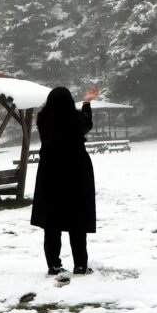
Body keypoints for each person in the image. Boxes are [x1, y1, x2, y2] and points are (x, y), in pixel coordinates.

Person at [30, 86, 99, 275]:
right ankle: (80, 265)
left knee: (51, 223)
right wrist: (86, 103)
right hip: (76, 174)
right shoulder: (75, 120)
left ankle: (53, 265)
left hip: (50, 175)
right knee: (77, 221)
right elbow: (87, 123)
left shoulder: (43, 119)